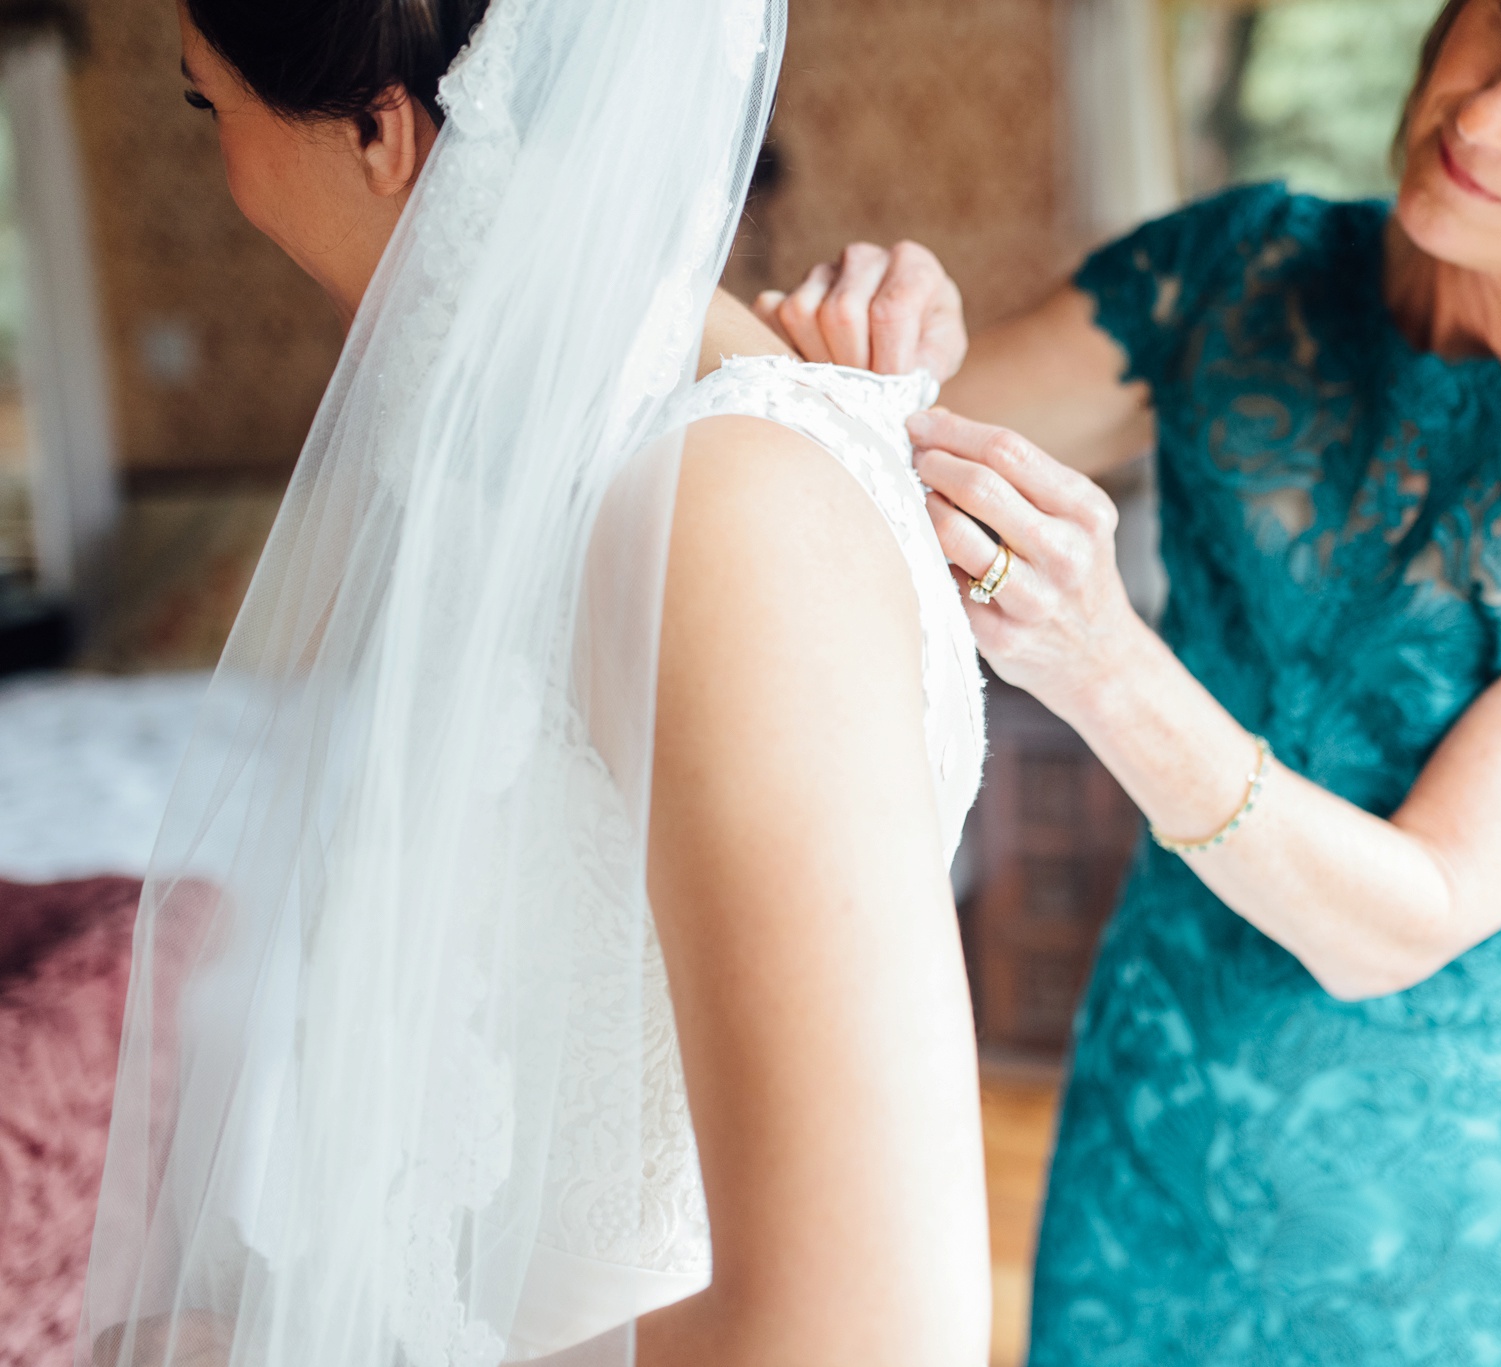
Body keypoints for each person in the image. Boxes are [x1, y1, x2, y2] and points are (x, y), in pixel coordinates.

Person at [757, 0, 1501, 1360]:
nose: (1485, 113)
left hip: (1459, 1242)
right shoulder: (1234, 275)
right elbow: (856, 468)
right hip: (1150, 1147)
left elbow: (1404, 916)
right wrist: (877, 354)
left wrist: (1098, 659)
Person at [80, 2, 990, 1365]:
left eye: (212, 107)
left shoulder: (730, 510)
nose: (230, 173)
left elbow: (866, 1334)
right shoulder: (571, 469)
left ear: (385, 132)